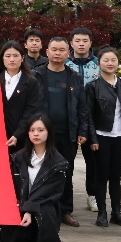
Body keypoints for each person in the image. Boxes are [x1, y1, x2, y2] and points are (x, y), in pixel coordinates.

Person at [0, 40, 42, 242]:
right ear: (2, 58)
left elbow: (31, 112)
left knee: (19, 182)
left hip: (21, 140)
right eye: (8, 56)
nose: (12, 59)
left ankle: (17, 224)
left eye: (16, 56)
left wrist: (18, 134)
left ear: (22, 58)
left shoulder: (31, 82)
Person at [33, 36, 88, 228]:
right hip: (42, 134)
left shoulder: (74, 77)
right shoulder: (37, 75)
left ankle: (65, 210)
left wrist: (82, 130)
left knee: (66, 171)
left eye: (62, 50)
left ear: (68, 53)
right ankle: (40, 208)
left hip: (67, 133)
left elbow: (82, 106)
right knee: (40, 171)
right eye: (54, 49)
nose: (57, 53)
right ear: (47, 52)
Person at [86, 46, 121, 228]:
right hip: (101, 136)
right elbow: (88, 115)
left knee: (116, 176)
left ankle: (116, 213)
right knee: (101, 175)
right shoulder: (93, 86)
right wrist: (93, 139)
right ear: (99, 63)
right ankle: (102, 212)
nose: (110, 63)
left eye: (113, 60)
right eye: (106, 60)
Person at [0, 115, 68, 242]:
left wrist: (29, 209)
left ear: (48, 132)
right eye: (32, 130)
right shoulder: (18, 157)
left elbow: (49, 192)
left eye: (41, 130)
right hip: (21, 205)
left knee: (45, 210)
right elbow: (11, 187)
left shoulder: (58, 162)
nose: (36, 134)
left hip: (43, 207)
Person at [66, 27, 101, 214]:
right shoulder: (64, 64)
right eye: (77, 40)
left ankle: (93, 195)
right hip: (70, 119)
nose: (81, 44)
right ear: (71, 43)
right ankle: (65, 200)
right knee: (66, 162)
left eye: (85, 40)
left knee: (93, 161)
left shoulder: (99, 64)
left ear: (90, 43)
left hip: (93, 119)